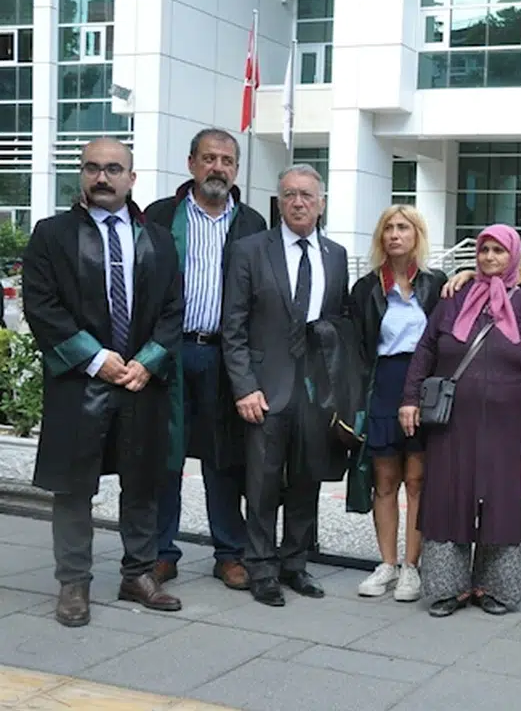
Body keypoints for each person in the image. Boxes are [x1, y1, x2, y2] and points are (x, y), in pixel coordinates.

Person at [23, 137, 184, 626]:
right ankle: (74, 581)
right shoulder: (52, 234)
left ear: (131, 178)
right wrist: (95, 359)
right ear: (81, 173)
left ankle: (138, 573)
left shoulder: (157, 239)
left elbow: (173, 309)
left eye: (113, 169)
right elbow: (41, 306)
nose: (102, 177)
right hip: (80, 382)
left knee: (143, 481)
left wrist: (147, 362)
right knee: (74, 487)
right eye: (92, 167)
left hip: (139, 381)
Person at [221, 164, 350, 607]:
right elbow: (233, 326)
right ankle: (261, 567)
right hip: (264, 388)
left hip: (315, 393)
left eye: (307, 195)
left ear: (321, 204)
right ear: (279, 202)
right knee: (262, 483)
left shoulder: (335, 255)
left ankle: (295, 563)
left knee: (307, 480)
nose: (298, 202)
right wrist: (244, 386)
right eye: (290, 195)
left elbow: (338, 323)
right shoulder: (250, 250)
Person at [145, 128, 267, 592]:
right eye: (209, 158)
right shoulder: (161, 215)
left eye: (227, 161)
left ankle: (229, 553)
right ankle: (161, 552)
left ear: (236, 170)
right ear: (191, 163)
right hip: (169, 352)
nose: (218, 167)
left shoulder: (253, 223)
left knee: (225, 458)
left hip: (224, 355)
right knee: (166, 454)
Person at [399, 224, 521, 616]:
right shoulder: (453, 298)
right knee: (447, 494)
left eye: (499, 251)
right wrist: (410, 398)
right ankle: (447, 589)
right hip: (453, 420)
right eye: (483, 250)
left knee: (504, 499)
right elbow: (426, 348)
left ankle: (496, 588)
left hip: (510, 422)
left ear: (514, 256)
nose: (490, 258)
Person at [347, 205, 446, 601]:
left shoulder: (436, 284)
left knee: (417, 481)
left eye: (403, 227)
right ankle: (387, 564)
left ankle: (411, 567)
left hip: (423, 386)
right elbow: (357, 348)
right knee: (384, 481)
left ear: (416, 234)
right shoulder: (366, 288)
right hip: (383, 384)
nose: (395, 234)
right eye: (388, 227)